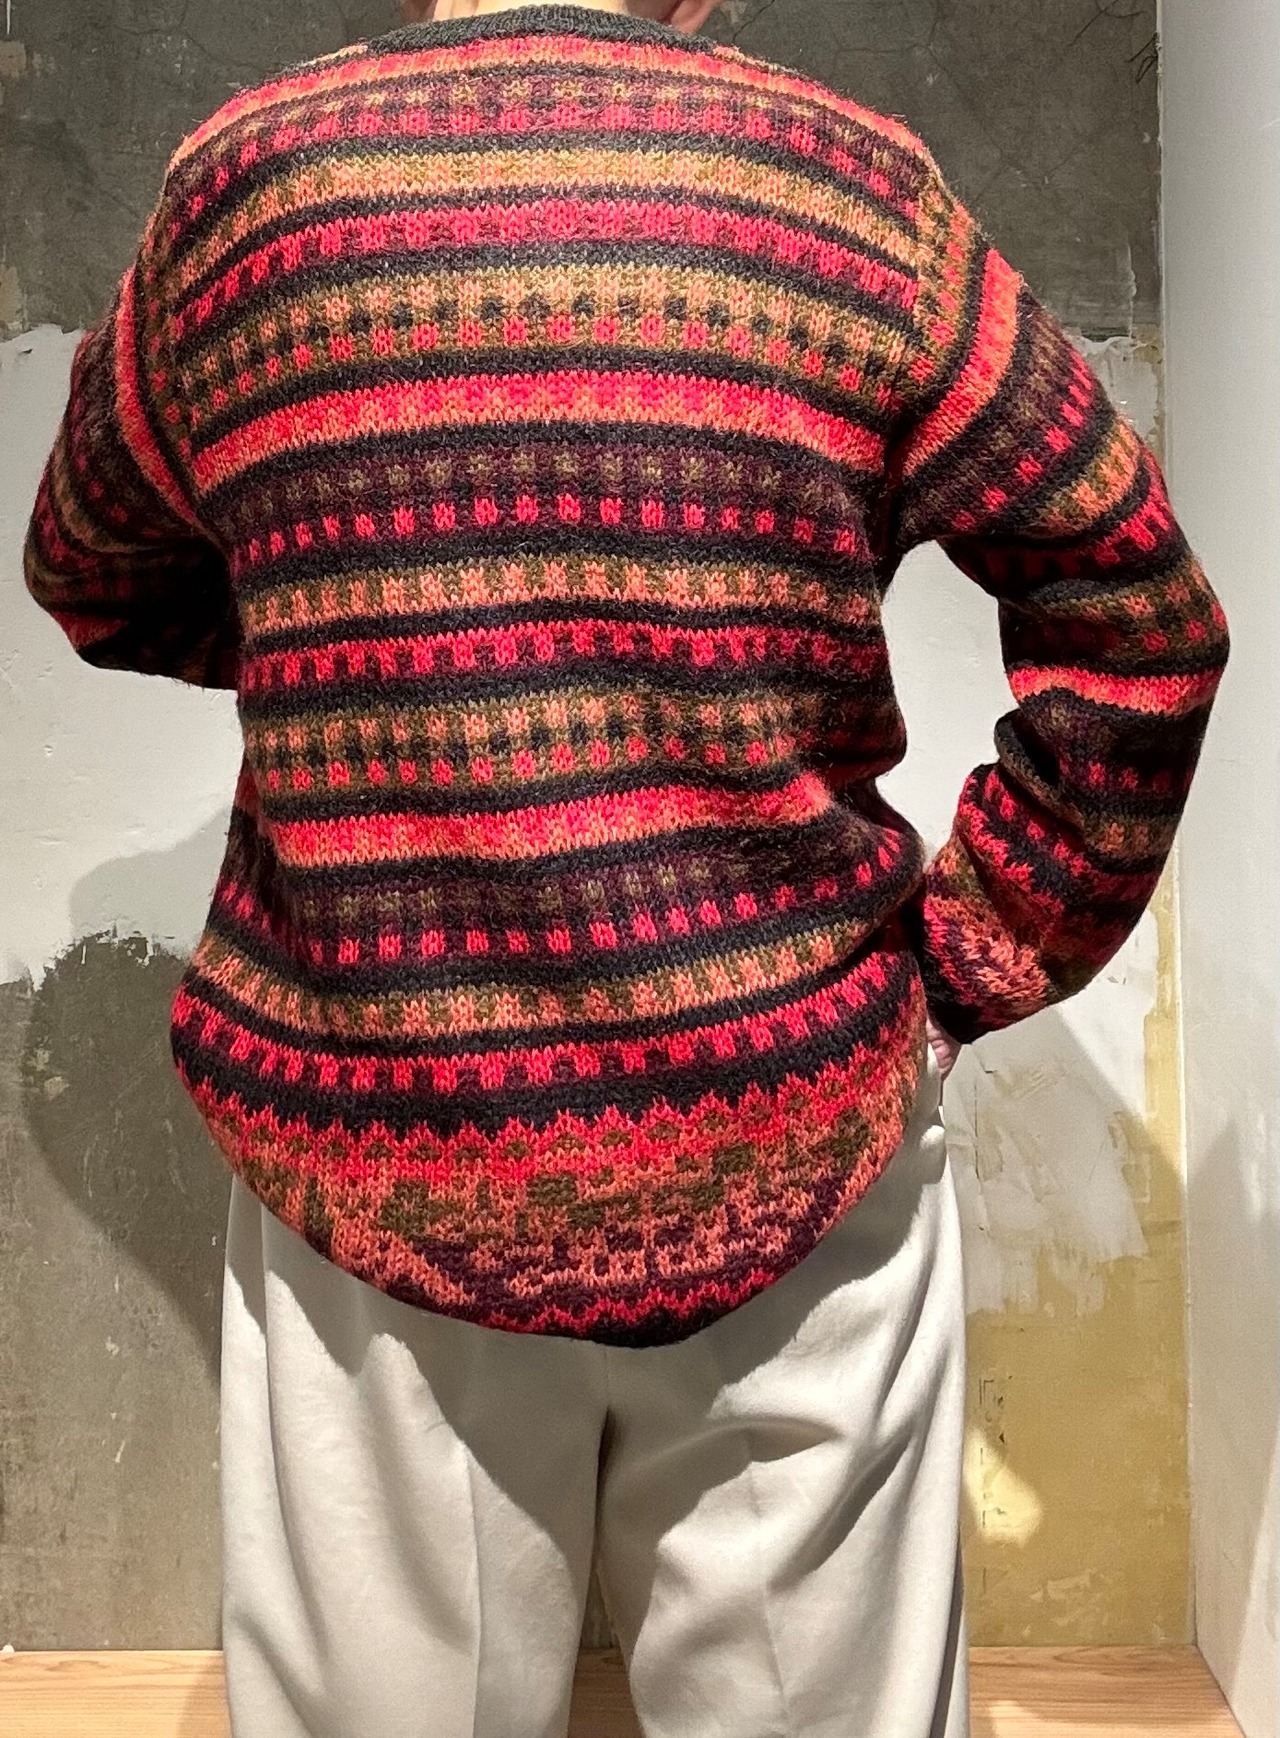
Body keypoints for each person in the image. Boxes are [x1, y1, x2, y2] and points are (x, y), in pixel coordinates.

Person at [22, 0, 1228, 1732]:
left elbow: (92, 561)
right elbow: (1140, 615)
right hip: (790, 1124)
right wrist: (970, 960)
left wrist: (358, 634)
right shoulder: (853, 192)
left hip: (384, 1134)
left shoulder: (248, 190)